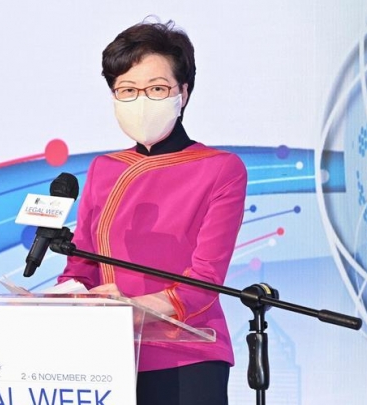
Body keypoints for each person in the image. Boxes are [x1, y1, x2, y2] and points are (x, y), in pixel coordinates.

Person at [57, 18, 247, 405]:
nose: (141, 101)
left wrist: (136, 308)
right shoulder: (104, 169)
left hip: (188, 357)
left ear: (183, 93)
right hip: (106, 358)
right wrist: (57, 300)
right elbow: (81, 267)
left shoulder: (221, 168)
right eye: (127, 90)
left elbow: (206, 280)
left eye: (157, 89)